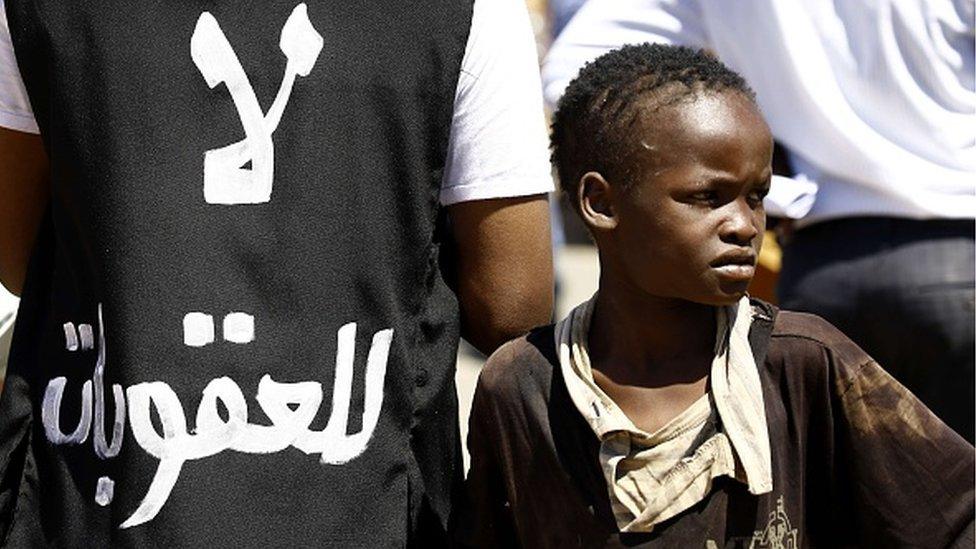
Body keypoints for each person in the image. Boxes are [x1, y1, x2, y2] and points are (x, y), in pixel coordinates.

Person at [0, 0, 554, 545]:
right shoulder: (474, 10)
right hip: (365, 500)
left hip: (99, 499)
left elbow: (17, 256)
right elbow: (511, 305)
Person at [460, 44, 975, 548]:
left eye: (756, 197)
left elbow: (956, 519)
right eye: (708, 197)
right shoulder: (523, 386)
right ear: (600, 202)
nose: (745, 225)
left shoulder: (802, 364)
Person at [540, 0, 976, 442]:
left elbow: (575, 72)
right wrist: (750, 175)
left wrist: (774, 184)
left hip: (821, 267)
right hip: (956, 260)